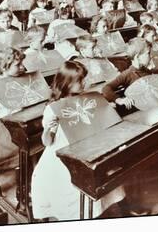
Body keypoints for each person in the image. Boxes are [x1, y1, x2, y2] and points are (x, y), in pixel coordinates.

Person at [31, 61, 126, 220]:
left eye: (84, 79)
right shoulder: (53, 108)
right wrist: (49, 129)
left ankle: (107, 210)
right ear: (67, 82)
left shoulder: (86, 98)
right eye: (79, 81)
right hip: (64, 151)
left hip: (88, 144)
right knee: (71, 185)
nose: (84, 83)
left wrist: (106, 108)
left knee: (106, 173)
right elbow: (47, 142)